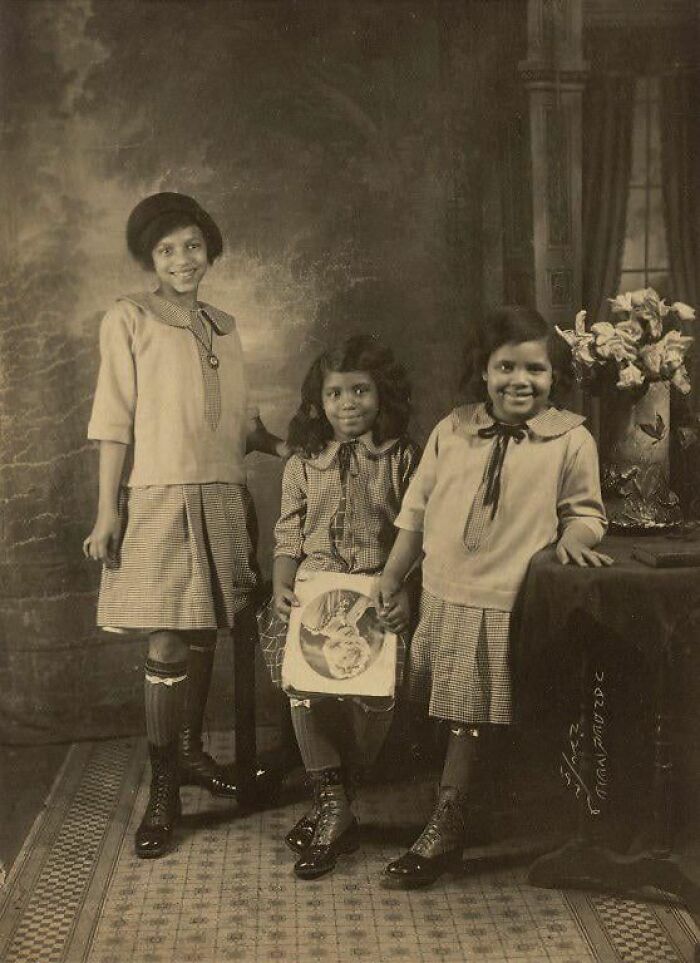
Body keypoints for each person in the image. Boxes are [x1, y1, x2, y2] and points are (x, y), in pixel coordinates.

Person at [378, 304, 613, 888]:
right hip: (444, 591)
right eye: (505, 367)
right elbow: (416, 509)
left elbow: (585, 511)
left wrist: (575, 539)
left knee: (470, 716)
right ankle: (462, 803)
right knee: (454, 713)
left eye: (535, 370)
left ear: (554, 376)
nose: (520, 381)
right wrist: (392, 572)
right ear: (482, 372)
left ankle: (448, 826)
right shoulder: (451, 430)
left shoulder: (570, 439)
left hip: (503, 598)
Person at [83, 192, 287, 858]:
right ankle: (165, 785)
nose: (182, 258)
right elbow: (113, 420)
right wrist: (108, 508)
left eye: (193, 244)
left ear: (211, 248)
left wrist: (290, 445)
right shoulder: (129, 317)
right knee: (168, 639)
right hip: (158, 494)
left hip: (223, 493)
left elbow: (240, 421)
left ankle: (197, 754)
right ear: (150, 257)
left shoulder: (225, 323)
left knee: (203, 633)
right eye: (167, 248)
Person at [258, 335, 419, 879]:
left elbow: (416, 533)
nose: (348, 404)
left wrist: (400, 592)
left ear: (382, 394)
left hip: (379, 588)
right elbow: (288, 533)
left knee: (374, 692)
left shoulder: (403, 457)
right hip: (315, 588)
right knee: (306, 687)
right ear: (317, 403)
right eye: (335, 394)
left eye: (360, 391)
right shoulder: (305, 461)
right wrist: (283, 585)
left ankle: (340, 798)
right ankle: (331, 799)